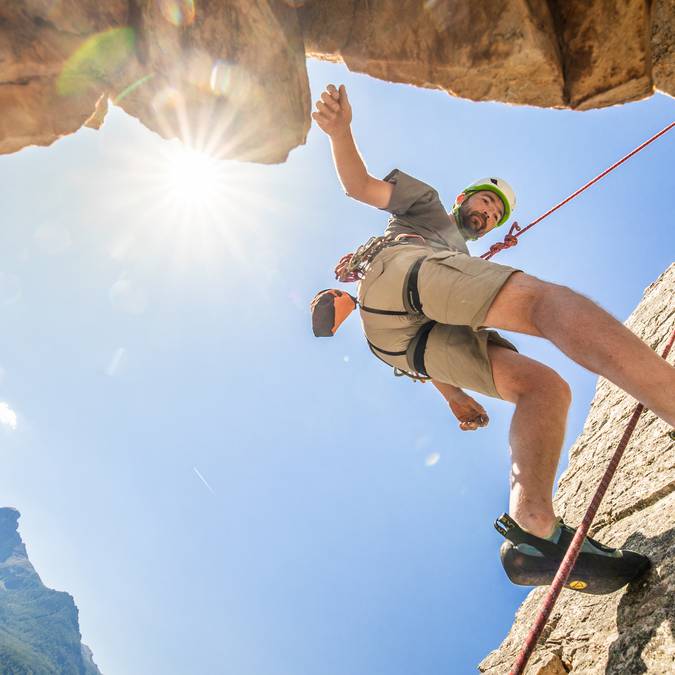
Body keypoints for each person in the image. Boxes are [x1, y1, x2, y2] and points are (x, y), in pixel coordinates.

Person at [312, 83, 675, 594]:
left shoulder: (462, 254)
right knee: (542, 304)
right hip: (403, 271)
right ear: (464, 198)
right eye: (485, 202)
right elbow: (360, 186)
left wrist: (455, 397)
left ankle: (532, 532)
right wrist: (340, 132)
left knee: (544, 389)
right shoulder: (428, 206)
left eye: (495, 214)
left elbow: (427, 345)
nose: (487, 213)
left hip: (401, 339)